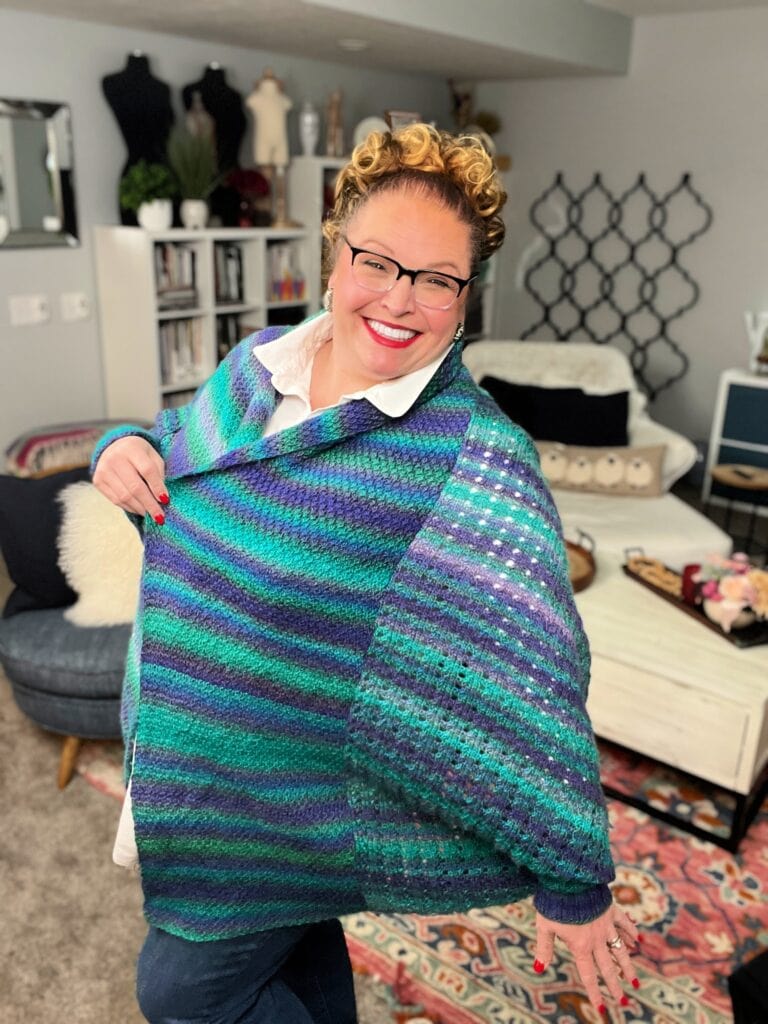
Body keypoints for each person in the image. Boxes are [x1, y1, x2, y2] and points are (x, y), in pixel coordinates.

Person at [92, 123, 639, 1024]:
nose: (401, 298)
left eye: (437, 279)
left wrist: (573, 871)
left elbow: (537, 678)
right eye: (378, 261)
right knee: (295, 945)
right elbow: (178, 460)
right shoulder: (256, 365)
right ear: (333, 251)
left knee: (176, 994)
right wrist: (123, 447)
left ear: (467, 297)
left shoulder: (474, 460)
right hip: (201, 756)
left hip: (292, 802)